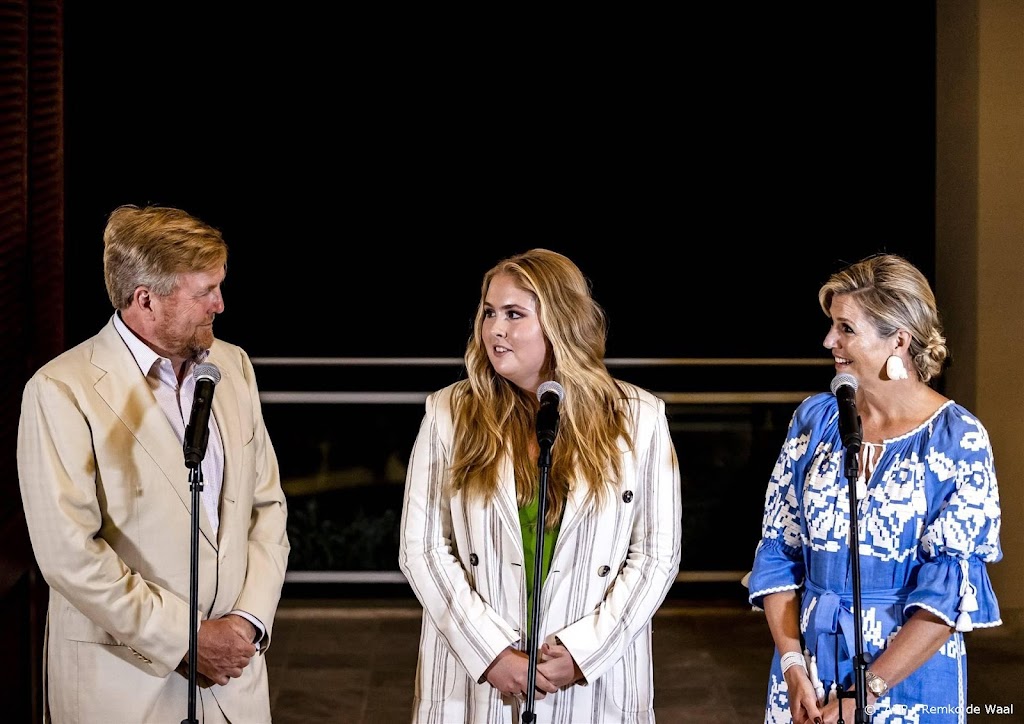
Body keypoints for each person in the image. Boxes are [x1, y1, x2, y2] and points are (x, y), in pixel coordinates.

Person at [17, 204, 290, 723]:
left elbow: (266, 506)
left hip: (235, 684)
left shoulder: (233, 365)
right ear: (145, 299)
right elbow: (68, 554)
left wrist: (248, 622)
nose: (220, 304)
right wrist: (186, 639)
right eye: (205, 291)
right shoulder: (60, 390)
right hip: (124, 689)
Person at [398, 248, 682, 722]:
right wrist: (490, 653)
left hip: (592, 680)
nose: (495, 329)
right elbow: (421, 548)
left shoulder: (639, 419)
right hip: (477, 678)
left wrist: (583, 653)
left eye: (514, 314)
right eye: (489, 312)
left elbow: (656, 555)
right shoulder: (449, 412)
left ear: (560, 323)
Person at [746, 253, 1002, 724]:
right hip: (807, 678)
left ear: (898, 340)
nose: (829, 341)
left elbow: (949, 592)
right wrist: (792, 665)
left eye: (846, 328)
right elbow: (778, 549)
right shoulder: (814, 421)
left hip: (906, 681)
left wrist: (864, 692)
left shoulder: (958, 439)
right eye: (832, 326)